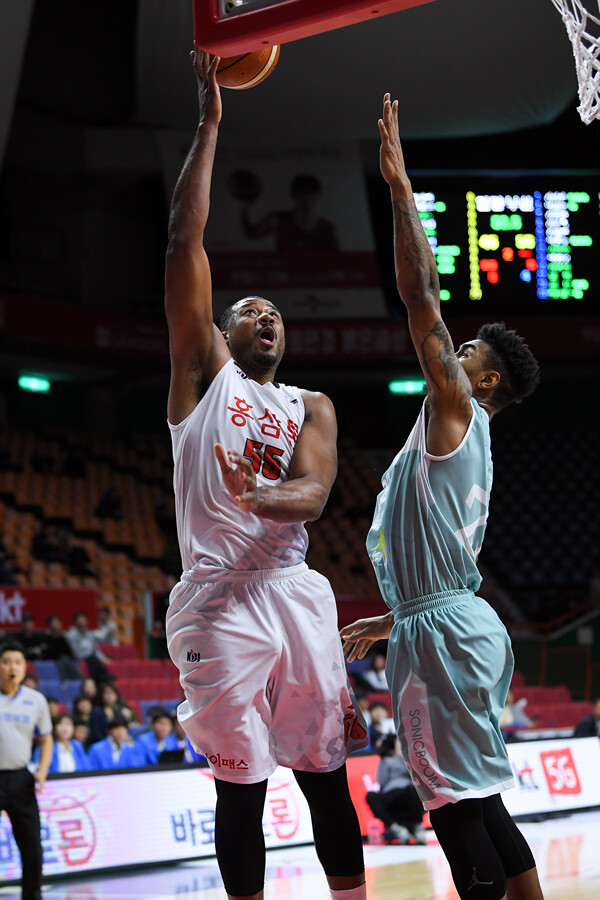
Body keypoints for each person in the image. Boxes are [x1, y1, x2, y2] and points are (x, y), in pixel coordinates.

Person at [163, 48, 368, 900]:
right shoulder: (202, 377)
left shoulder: (312, 405)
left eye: (276, 312)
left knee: (326, 776)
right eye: (250, 311)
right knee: (240, 790)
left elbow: (314, 494)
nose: (267, 317)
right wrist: (210, 122)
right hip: (217, 597)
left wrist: (262, 495)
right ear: (223, 333)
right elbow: (184, 240)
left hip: (293, 589)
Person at [340, 95, 543, 900]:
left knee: (451, 805)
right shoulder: (461, 434)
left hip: (446, 633)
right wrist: (394, 618)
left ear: (483, 382)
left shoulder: (458, 410)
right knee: (478, 796)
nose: (451, 355)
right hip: (447, 619)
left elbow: (420, 294)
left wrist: (399, 188)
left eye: (466, 354)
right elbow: (440, 567)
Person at [0, 639, 53, 900]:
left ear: (24, 667)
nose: (12, 667)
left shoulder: (36, 700)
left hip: (21, 778)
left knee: (31, 846)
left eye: (18, 662)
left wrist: (42, 770)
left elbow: (46, 739)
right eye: (6, 662)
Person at [241, 173, 339, 254]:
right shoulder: (279, 220)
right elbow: (250, 233)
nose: (306, 203)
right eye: (301, 197)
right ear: (294, 197)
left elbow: (337, 259)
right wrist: (245, 207)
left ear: (318, 198)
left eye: (311, 197)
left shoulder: (326, 228)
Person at [365, 734, 427, 844]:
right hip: (390, 794)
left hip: (407, 791)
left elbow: (414, 774)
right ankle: (397, 829)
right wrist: (384, 760)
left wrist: (402, 755)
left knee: (414, 790)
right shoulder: (384, 760)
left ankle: (418, 827)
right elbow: (381, 781)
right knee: (370, 796)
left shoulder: (405, 757)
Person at [66, 611, 110, 682]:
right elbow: (76, 653)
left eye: (84, 620)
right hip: (80, 658)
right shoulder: (71, 635)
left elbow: (96, 649)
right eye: (80, 620)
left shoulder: (89, 633)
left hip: (92, 658)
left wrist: (103, 658)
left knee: (97, 661)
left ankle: (103, 680)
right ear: (76, 621)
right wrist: (89, 655)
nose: (83, 622)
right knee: (93, 661)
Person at [43, 614, 83, 681]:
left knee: (65, 660)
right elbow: (47, 652)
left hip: (65, 660)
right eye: (54, 623)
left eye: (57, 622)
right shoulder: (46, 638)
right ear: (49, 625)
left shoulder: (64, 638)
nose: (56, 624)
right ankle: (65, 681)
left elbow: (69, 652)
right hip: (55, 659)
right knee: (62, 660)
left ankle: (78, 678)